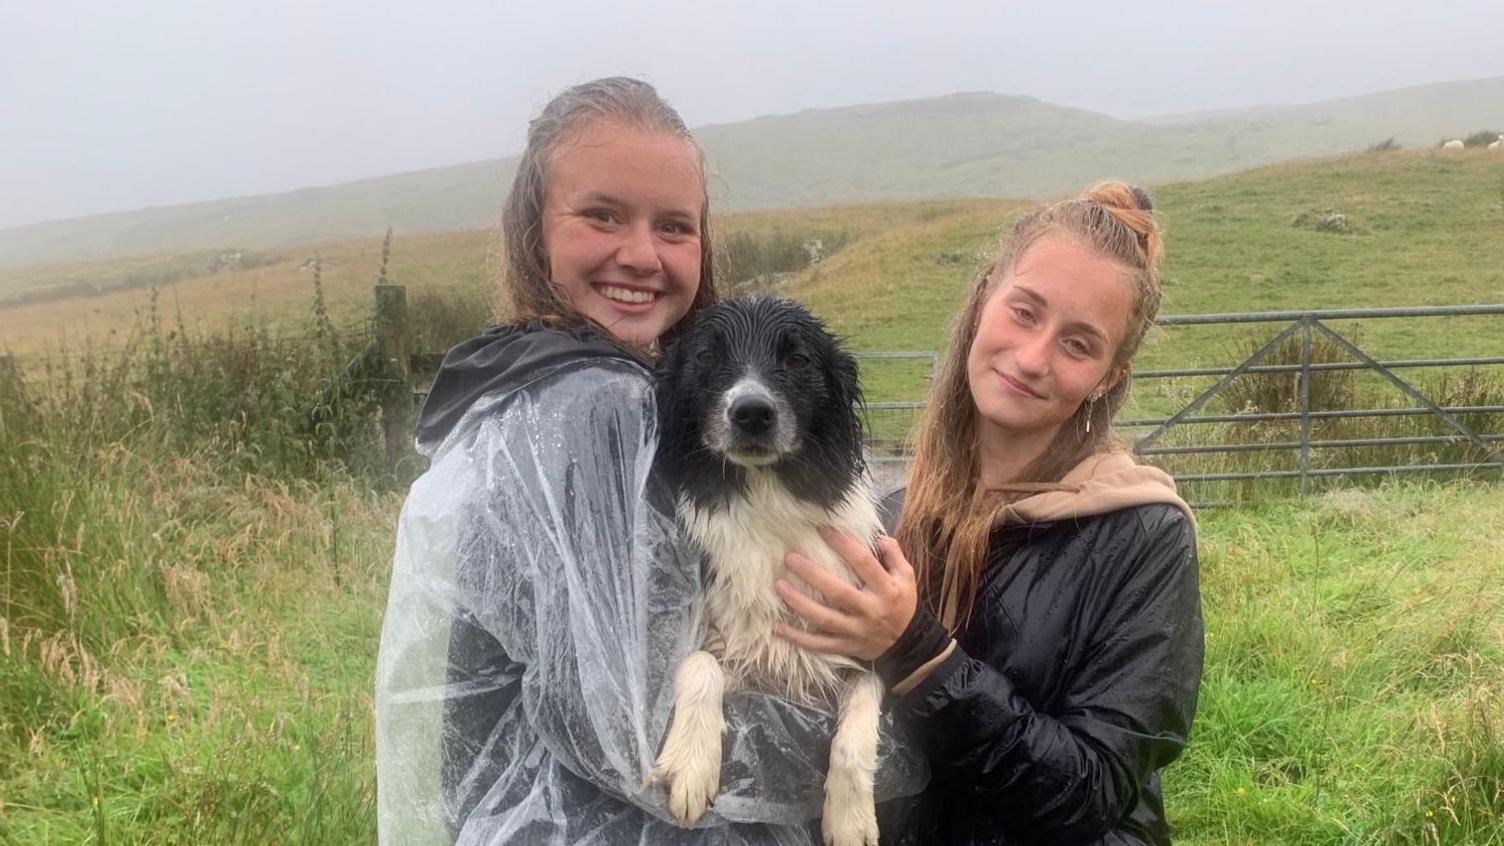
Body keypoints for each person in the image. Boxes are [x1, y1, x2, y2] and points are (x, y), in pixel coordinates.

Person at [373, 77, 923, 846]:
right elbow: (628, 727)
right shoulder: (590, 409)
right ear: (534, 228)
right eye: (602, 215)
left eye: (673, 226)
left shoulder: (544, 377)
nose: (639, 254)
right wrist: (922, 739)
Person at [775, 183, 1204, 845]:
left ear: (1110, 378)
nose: (1033, 359)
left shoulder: (1144, 536)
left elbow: (1090, 795)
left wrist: (916, 651)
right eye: (1025, 312)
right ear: (983, 300)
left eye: (1079, 345)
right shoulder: (889, 517)